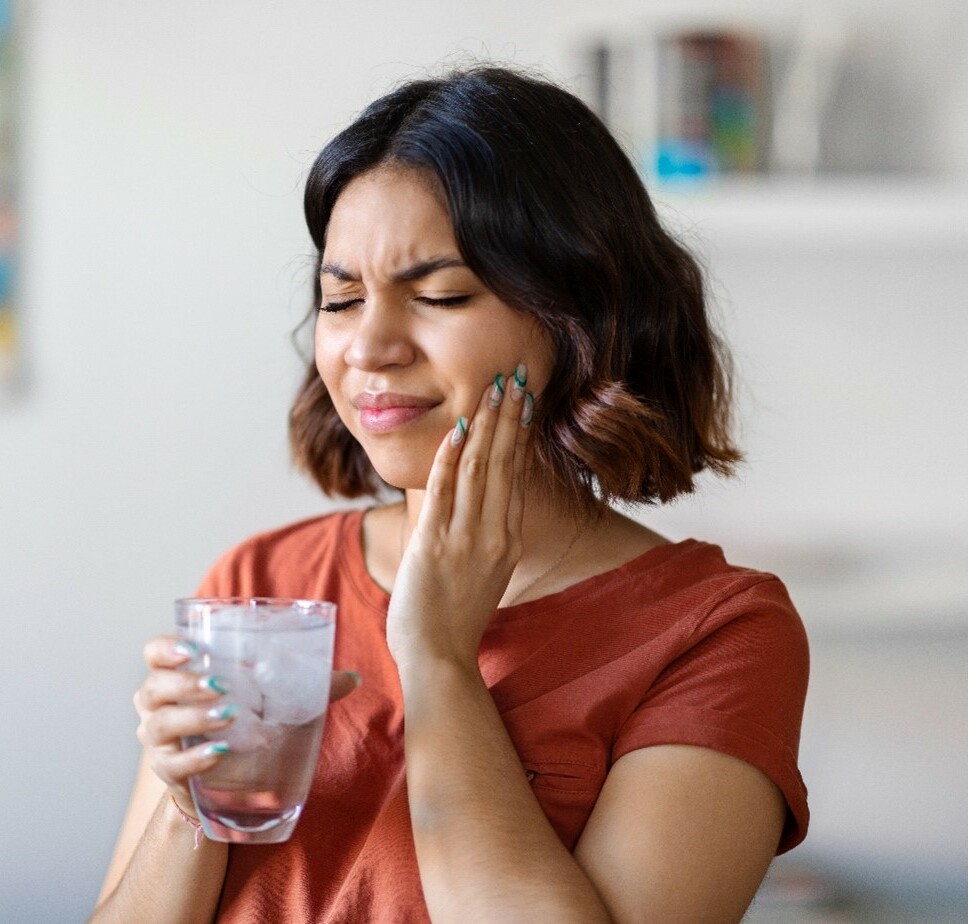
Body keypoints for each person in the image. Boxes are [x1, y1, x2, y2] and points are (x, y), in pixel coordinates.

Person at [93, 65, 809, 923]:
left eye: (440, 295)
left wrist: (435, 656)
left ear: (578, 318)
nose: (370, 347)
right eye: (341, 299)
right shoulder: (258, 582)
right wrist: (193, 808)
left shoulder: (717, 632)